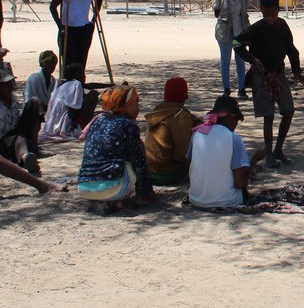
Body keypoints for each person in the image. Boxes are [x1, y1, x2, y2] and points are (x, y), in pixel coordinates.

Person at [232, 0, 301, 168]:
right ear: (261, 11)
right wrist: (252, 59)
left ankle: (279, 149)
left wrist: (296, 71)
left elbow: (291, 49)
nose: (270, 19)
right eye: (267, 15)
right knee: (268, 116)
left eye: (273, 15)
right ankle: (269, 154)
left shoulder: (283, 26)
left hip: (279, 74)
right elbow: (236, 43)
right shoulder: (257, 28)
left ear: (278, 11)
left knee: (288, 110)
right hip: (261, 77)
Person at [77, 84, 155, 212]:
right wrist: (146, 192)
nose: (138, 108)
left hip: (84, 187)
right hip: (110, 188)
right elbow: (139, 163)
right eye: (136, 103)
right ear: (127, 105)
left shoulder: (97, 121)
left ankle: (104, 199)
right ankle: (140, 196)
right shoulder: (128, 125)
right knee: (136, 153)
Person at [188, 95, 261, 209]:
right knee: (243, 190)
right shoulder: (233, 138)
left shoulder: (197, 133)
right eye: (236, 120)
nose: (236, 124)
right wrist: (254, 161)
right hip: (226, 201)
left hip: (195, 199)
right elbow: (240, 183)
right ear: (228, 118)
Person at [0, 64, 45, 174]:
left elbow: (16, 124)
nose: (11, 87)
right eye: (7, 85)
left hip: (11, 137)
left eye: (10, 84)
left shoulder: (12, 100)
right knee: (19, 139)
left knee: (34, 102)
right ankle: (25, 157)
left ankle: (32, 150)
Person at [50, 0, 104, 74]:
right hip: (67, 28)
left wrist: (93, 19)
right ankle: (67, 84)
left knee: (82, 57)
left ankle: (79, 83)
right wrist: (60, 25)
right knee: (68, 59)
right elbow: (52, 6)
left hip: (84, 28)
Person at [145, 77, 197, 184]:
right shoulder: (181, 116)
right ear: (184, 96)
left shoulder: (159, 109)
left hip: (148, 172)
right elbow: (183, 154)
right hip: (167, 174)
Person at [213, 0, 251, 98]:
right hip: (225, 31)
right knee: (225, 60)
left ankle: (241, 89)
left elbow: (245, 11)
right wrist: (223, 10)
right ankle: (226, 89)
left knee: (240, 59)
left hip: (239, 32)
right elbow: (216, 13)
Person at [39, 63, 100, 142]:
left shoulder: (60, 84)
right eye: (83, 73)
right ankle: (85, 126)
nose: (85, 76)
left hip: (51, 124)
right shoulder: (76, 84)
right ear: (77, 74)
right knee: (93, 94)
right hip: (65, 125)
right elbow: (73, 111)